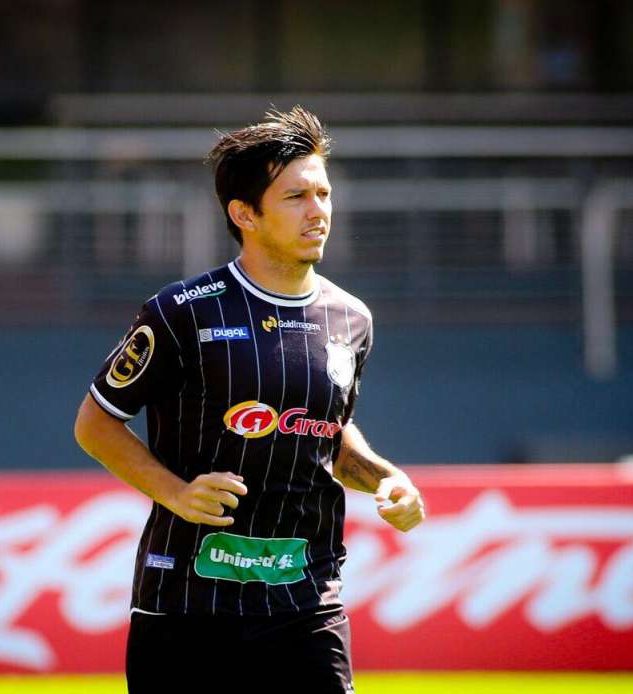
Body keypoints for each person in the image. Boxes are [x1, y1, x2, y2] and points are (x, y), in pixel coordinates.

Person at [74, 106, 425, 693]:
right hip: (186, 605)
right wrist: (177, 493)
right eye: (296, 197)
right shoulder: (181, 312)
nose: (318, 211)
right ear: (245, 215)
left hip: (305, 602)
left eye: (324, 193)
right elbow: (95, 424)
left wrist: (390, 480)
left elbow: (327, 434)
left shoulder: (352, 319)